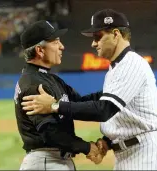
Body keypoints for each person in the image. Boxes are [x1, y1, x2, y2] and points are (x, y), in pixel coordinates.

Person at [21, 9, 157, 170]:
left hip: (146, 154)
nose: (93, 43)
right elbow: (119, 112)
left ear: (116, 34)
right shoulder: (116, 69)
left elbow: (104, 109)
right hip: (129, 153)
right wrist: (107, 142)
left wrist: (54, 106)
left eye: (98, 36)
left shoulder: (131, 64)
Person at [14, 20, 105, 170]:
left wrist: (114, 92)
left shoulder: (49, 78)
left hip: (54, 160)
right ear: (40, 50)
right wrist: (87, 147)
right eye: (56, 42)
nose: (62, 46)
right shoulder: (33, 84)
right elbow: (51, 133)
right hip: (46, 161)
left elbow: (80, 103)